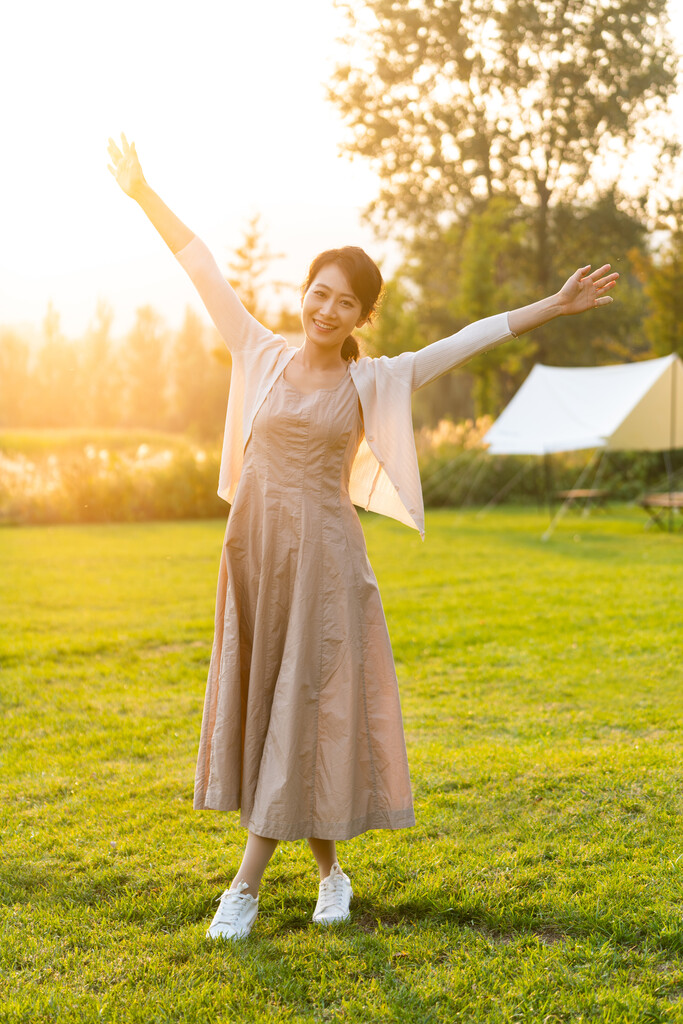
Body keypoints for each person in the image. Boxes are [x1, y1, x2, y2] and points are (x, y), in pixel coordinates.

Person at [107, 133, 618, 941]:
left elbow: (469, 339)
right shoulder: (261, 353)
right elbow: (200, 263)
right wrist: (142, 192)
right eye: (317, 292)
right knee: (289, 713)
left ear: (361, 316)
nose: (324, 309)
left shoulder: (372, 379)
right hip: (255, 554)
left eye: (344, 301)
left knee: (300, 710)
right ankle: (331, 874)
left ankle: (242, 887)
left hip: (326, 566)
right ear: (303, 294)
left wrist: (552, 307)